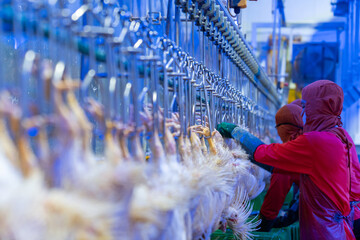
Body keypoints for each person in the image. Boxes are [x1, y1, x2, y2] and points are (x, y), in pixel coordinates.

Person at [217, 80, 360, 239]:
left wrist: (235, 131)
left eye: (305, 107)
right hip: (344, 225)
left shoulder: (315, 142)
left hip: (326, 232)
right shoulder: (340, 135)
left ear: (318, 108)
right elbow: (281, 168)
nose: (303, 113)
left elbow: (263, 154)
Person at [258, 102, 302, 231]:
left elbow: (274, 197)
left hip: (327, 224)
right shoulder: (313, 139)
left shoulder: (292, 152)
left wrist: (264, 225)